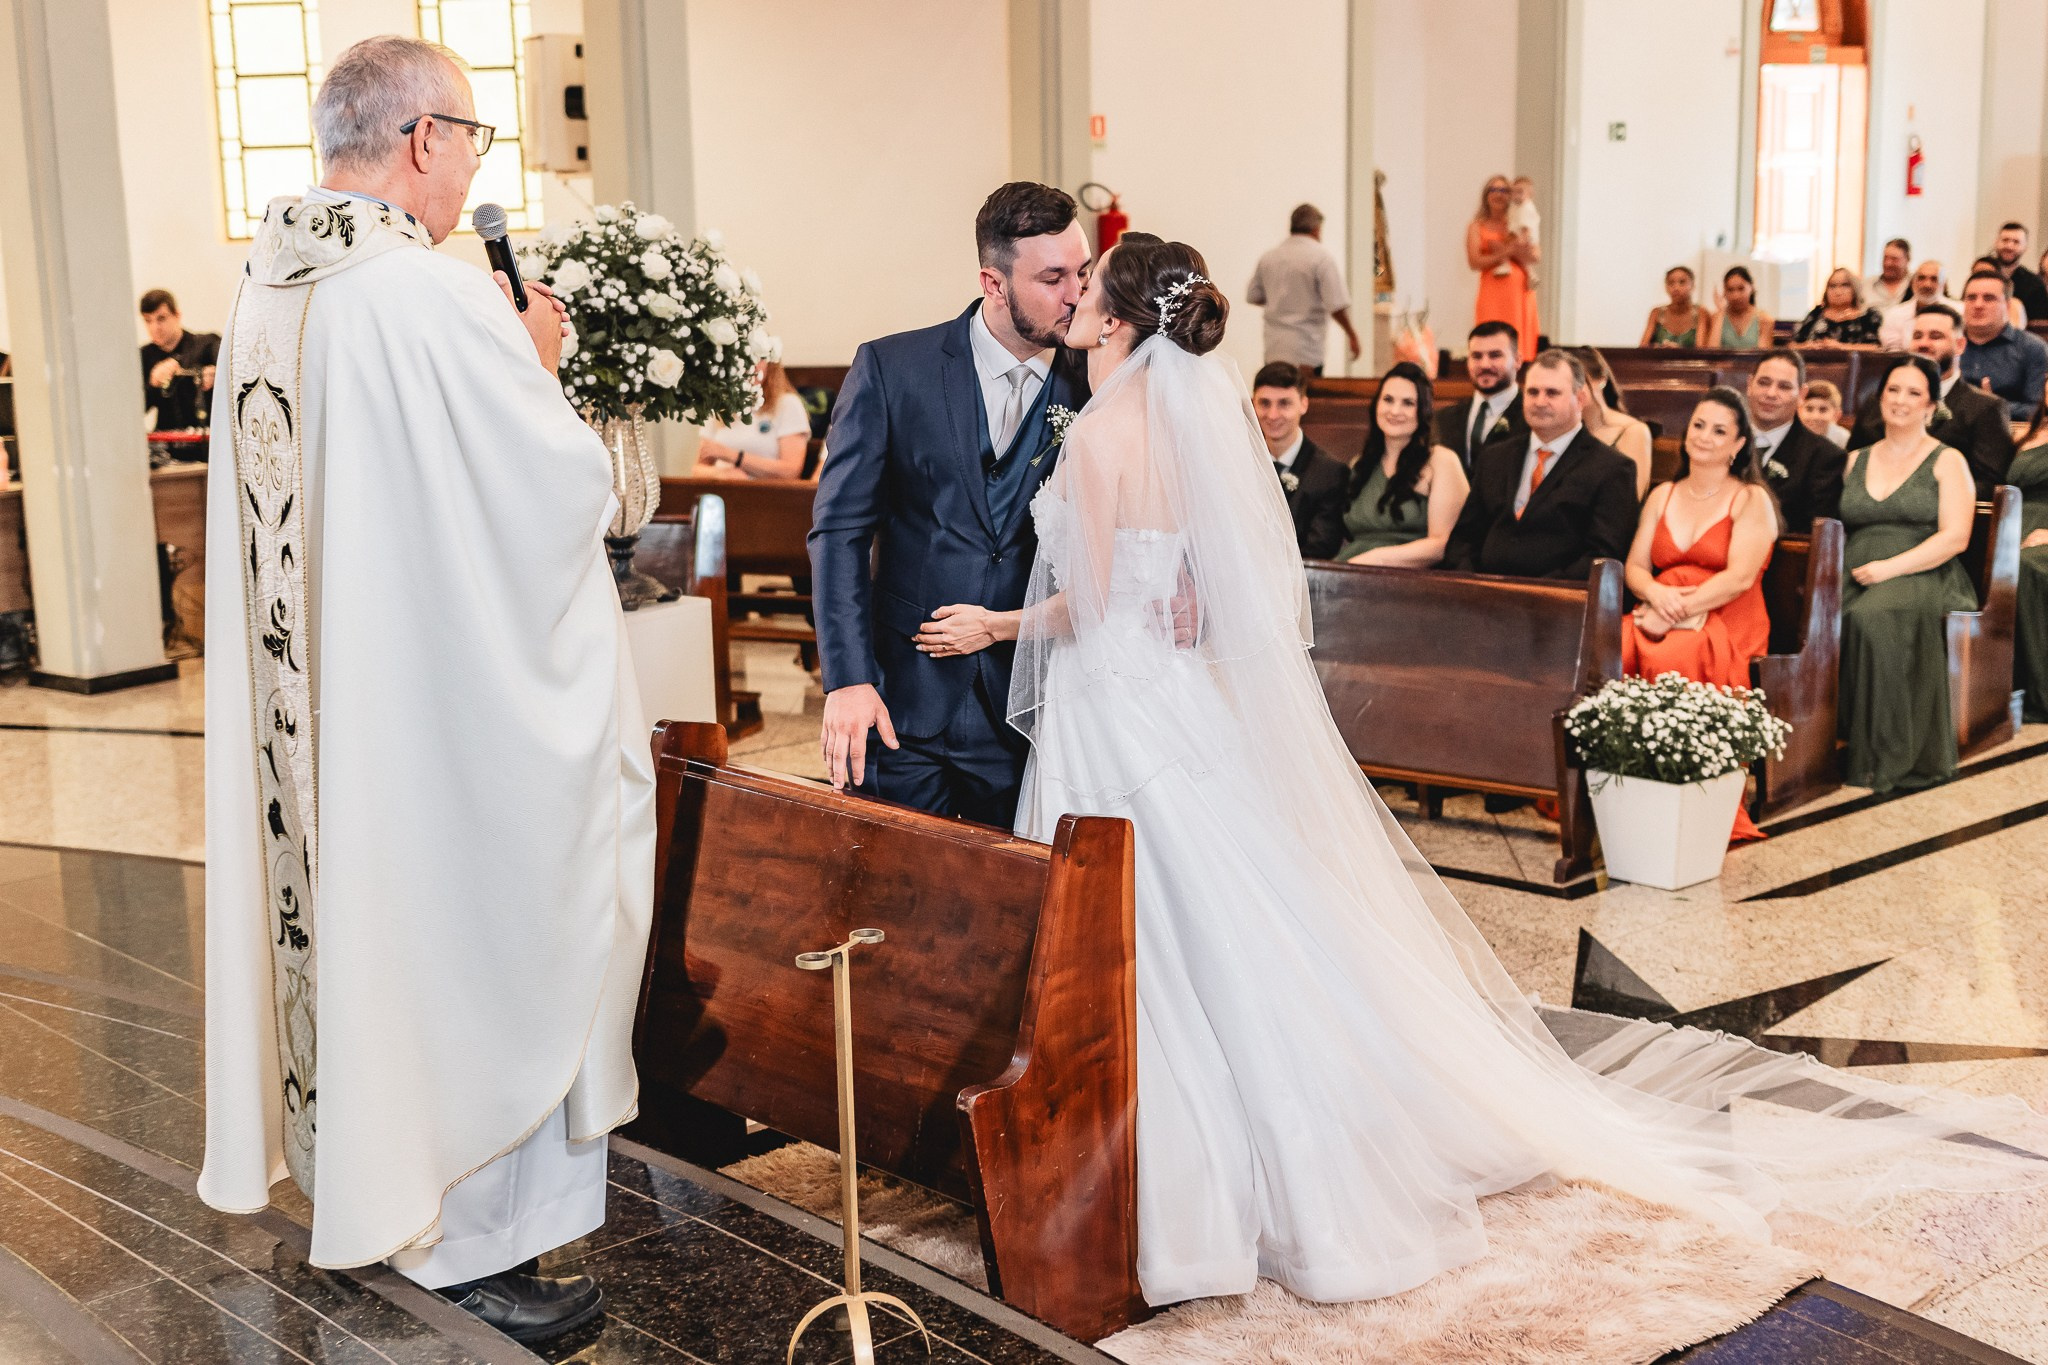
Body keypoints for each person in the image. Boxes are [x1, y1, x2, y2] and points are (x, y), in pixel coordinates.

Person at [918, 233, 2048, 1312]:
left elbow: (1100, 601)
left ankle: (1158, 1170)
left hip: (1118, 699)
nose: (1070, 305)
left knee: (1147, 919)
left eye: (1086, 292)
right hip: (1167, 698)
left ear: (1113, 319)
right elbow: (1200, 588)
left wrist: (996, 622)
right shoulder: (1179, 430)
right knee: (1205, 909)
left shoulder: (1103, 436)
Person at [199, 36, 650, 1344]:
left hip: (333, 721)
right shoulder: (431, 296)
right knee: (477, 925)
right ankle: (470, 1246)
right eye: (473, 141)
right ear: (419, 141)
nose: (472, 169)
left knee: (359, 929)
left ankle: (375, 1189)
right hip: (431, 725)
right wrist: (544, 368)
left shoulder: (269, 291)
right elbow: (559, 494)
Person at [810, 181, 1092, 822]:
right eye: (1053, 278)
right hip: (899, 704)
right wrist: (848, 680)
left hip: (1034, 709)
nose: (1076, 293)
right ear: (995, 283)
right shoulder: (892, 368)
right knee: (891, 900)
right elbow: (840, 534)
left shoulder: (1096, 385)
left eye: (1083, 271)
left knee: (1018, 907)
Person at [1620, 388, 1780, 843]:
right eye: (1698, 426)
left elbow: (1740, 578)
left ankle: (1684, 784)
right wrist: (1654, 594)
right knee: (1618, 640)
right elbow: (1634, 565)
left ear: (1738, 445)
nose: (1705, 437)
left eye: (1720, 430)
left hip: (1728, 617)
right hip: (1663, 607)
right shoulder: (1662, 494)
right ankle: (1626, 777)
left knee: (1681, 650)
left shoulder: (1750, 500)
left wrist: (1679, 610)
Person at [1838, 355, 1980, 793]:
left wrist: (1889, 569)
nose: (1900, 400)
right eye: (1893, 390)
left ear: (1931, 406)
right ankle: (1827, 743)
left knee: (1872, 618)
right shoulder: (1854, 459)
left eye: (1914, 392)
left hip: (1923, 569)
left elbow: (1955, 537)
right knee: (1824, 620)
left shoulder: (1947, 460)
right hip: (1856, 565)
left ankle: (1886, 751)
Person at [1443, 349, 1638, 580]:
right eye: (1532, 392)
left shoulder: (1611, 468)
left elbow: (1603, 557)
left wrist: (1536, 594)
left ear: (1580, 399)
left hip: (1559, 602)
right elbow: (1464, 538)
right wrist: (1470, 583)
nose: (1539, 402)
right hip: (1483, 597)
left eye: (1552, 393)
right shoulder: (1495, 457)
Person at [1850, 302, 2015, 496]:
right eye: (1917, 336)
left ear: (1960, 345)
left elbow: (1990, 484)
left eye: (1935, 336)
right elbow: (1853, 464)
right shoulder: (1878, 400)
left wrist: (1923, 498)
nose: (1923, 344)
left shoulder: (1985, 408)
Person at [1335, 361, 1468, 566]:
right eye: (1388, 400)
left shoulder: (1441, 461)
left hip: (1408, 581)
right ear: (1376, 405)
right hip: (1349, 572)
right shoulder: (1360, 465)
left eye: (1408, 403)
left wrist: (1375, 559)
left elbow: (1441, 545)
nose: (1395, 411)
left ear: (1423, 411)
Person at [1245, 203, 1361, 373]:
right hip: (1306, 349)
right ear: (1316, 229)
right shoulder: (1321, 258)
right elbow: (1336, 305)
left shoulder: (1269, 257)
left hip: (1274, 346)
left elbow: (1253, 295)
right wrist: (1351, 334)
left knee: (1276, 392)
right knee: (1301, 395)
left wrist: (1279, 299)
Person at [1250, 361, 1348, 558]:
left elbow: (1321, 548)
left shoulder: (1329, 473)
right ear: (1253, 403)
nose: (1272, 415)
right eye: (1264, 403)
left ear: (1304, 404)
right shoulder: (1240, 464)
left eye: (1284, 403)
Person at [1745, 348, 1843, 531]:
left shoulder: (1824, 456)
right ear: (1749, 385)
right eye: (1764, 383)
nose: (1771, 393)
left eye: (1784, 386)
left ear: (1801, 395)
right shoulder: (1722, 439)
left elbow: (1815, 534)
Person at [695, 360, 811, 479]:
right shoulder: (719, 405)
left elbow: (791, 471)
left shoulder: (787, 404)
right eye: (744, 358)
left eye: (759, 358)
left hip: (767, 493)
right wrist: (720, 474)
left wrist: (734, 456)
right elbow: (696, 469)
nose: (750, 366)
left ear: (771, 365)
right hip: (722, 491)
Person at [1958, 269, 2048, 423]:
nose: (1978, 305)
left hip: (2009, 434)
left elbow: (2038, 409)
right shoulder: (1949, 344)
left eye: (1989, 298)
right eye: (1971, 298)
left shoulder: (2032, 348)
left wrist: (1994, 405)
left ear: (2007, 305)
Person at [1435, 321, 1527, 466]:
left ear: (1517, 360)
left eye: (1495, 355)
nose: (1485, 365)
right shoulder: (1443, 419)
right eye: (1477, 356)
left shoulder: (1531, 417)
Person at [1468, 176, 1538, 363]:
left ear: (1512, 194)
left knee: (1518, 344)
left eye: (1504, 190)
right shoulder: (1477, 226)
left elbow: (1535, 256)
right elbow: (1474, 262)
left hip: (1519, 292)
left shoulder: (1519, 221)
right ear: (1486, 196)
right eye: (1493, 190)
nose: (1498, 195)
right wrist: (1504, 253)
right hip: (1493, 293)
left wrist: (1508, 250)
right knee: (1490, 339)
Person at [139, 288, 221, 439]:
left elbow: (235, 381)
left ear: (177, 315)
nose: (154, 328)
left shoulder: (208, 344)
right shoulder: (143, 356)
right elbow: (133, 413)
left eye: (161, 318)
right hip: (167, 444)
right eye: (148, 320)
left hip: (205, 441)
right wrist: (152, 384)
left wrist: (218, 377)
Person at [1571, 347, 1653, 496]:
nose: (1573, 391)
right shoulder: (1568, 430)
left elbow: (1631, 498)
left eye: (1578, 381)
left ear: (1601, 379)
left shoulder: (1633, 431)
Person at [2011, 432, 2048, 722]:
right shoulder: (2030, 435)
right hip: (2014, 526)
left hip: (2044, 535)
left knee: (2026, 567)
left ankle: (2040, 691)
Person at [1792, 268, 1883, 347]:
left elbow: (1874, 347)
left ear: (1855, 288)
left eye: (1845, 285)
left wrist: (1841, 347)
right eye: (1832, 286)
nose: (1838, 292)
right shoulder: (1816, 313)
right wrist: (1807, 346)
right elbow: (1793, 345)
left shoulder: (1868, 315)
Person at [1877, 259, 1946, 351]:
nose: (1927, 284)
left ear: (1943, 284)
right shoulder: (1894, 315)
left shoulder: (1959, 311)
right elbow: (1893, 353)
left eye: (1934, 279)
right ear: (1913, 282)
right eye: (1921, 278)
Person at [1987, 221, 2048, 322]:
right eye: (2005, 240)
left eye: (2016, 242)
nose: (2009, 246)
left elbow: (2039, 325)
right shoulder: (1982, 275)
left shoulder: (2035, 284)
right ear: (1996, 242)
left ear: (2025, 247)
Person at [1639, 266, 1705, 347]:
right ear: (1666, 287)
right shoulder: (1657, 313)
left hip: (1691, 359)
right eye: (1671, 283)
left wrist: (1678, 350)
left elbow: (1702, 350)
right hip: (1660, 358)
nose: (1676, 288)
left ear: (1693, 285)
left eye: (1682, 282)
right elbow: (1643, 347)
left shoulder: (1701, 313)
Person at [1713, 266, 1771, 350]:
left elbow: (1763, 355)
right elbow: (1711, 353)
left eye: (1741, 289)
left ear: (1751, 288)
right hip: (1721, 363)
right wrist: (1721, 312)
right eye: (1730, 290)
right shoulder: (1717, 317)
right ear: (1724, 292)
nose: (1736, 296)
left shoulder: (1764, 319)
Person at [1506, 175, 1541, 290]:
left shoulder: (1526, 208)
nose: (1516, 195)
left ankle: (1531, 275)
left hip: (1526, 238)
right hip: (1522, 237)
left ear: (1529, 194)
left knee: (1514, 252)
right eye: (1514, 192)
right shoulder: (1516, 208)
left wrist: (1521, 239)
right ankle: (1531, 275)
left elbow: (1526, 228)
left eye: (1520, 192)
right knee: (1522, 261)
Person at [1799, 379, 1850, 448]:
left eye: (1823, 410)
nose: (1815, 417)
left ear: (1836, 415)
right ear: (1799, 412)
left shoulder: (1843, 439)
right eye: (1809, 409)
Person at [1866, 237, 1912, 308]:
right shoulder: (1866, 286)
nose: (1888, 263)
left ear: (1908, 259)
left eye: (1894, 259)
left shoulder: (1917, 285)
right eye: (1885, 258)